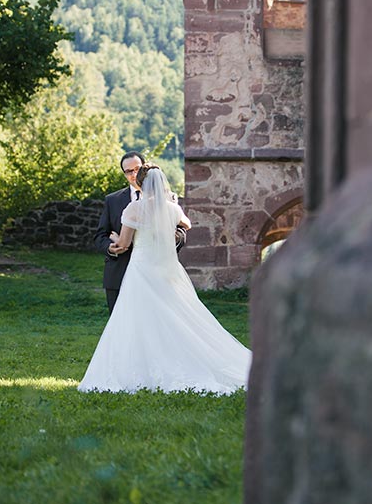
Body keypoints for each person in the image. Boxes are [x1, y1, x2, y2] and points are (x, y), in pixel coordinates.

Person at [79, 163, 251, 394]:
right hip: (167, 269)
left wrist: (115, 237)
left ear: (140, 183)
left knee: (138, 318)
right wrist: (168, 228)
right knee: (178, 315)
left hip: (142, 269)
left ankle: (142, 366)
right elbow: (186, 224)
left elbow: (124, 244)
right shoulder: (172, 209)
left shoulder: (133, 209)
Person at [94, 151, 186, 313]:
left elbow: (182, 230)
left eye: (137, 169)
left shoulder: (169, 199)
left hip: (159, 274)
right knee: (122, 326)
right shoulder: (113, 200)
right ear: (124, 174)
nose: (133, 174)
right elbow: (100, 235)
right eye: (128, 171)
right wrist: (111, 247)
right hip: (118, 273)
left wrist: (167, 238)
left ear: (145, 169)